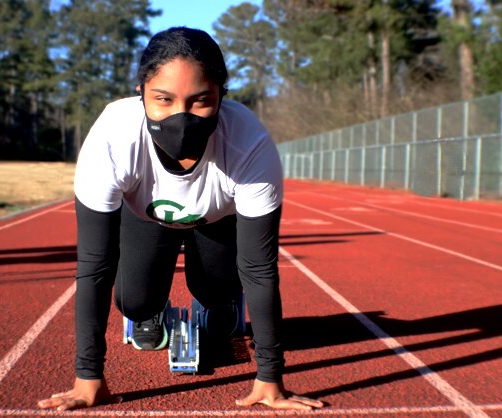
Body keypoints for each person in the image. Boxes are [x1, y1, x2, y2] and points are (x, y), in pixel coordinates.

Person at [38, 27, 323, 411]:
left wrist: (269, 378)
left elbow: (259, 269)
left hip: (218, 220)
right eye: (163, 99)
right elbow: (95, 266)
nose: (180, 117)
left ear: (222, 94)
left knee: (220, 296)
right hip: (146, 218)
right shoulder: (113, 138)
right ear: (140, 91)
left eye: (200, 100)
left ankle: (220, 303)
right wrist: (88, 378)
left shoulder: (250, 145)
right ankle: (149, 310)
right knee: (135, 302)